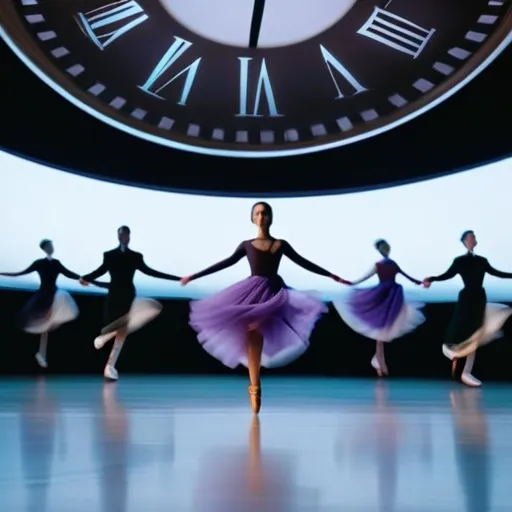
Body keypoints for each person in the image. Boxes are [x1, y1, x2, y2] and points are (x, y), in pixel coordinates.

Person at [180, 202, 350, 413]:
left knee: (258, 331)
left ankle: (255, 383)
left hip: (275, 292)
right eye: (258, 213)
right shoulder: (247, 244)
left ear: (270, 218)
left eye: (265, 213)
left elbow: (303, 262)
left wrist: (330, 275)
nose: (261, 216)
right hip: (252, 290)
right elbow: (226, 263)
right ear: (253, 219)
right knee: (253, 332)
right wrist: (194, 276)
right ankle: (255, 385)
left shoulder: (280, 244)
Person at [80, 226, 180, 380]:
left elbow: (151, 272)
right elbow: (100, 270)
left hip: (128, 295)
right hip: (114, 295)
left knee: (123, 330)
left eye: (127, 235)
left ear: (130, 236)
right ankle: (104, 341)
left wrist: (176, 278)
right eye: (123, 235)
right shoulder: (109, 255)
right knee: (117, 325)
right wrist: (86, 277)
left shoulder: (136, 256)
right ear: (118, 237)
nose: (125, 237)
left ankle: (110, 365)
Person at [423, 230, 512, 387]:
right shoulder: (459, 261)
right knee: (464, 331)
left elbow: (496, 273)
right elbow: (447, 275)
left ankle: (466, 372)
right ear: (464, 241)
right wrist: (432, 279)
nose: (472, 240)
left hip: (478, 297)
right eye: (469, 238)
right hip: (466, 299)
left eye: (473, 238)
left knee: (476, 333)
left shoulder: (482, 261)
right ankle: (460, 364)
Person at [333, 239, 425, 377]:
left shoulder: (391, 263)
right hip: (381, 296)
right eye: (384, 248)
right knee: (381, 331)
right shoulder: (379, 265)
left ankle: (378, 361)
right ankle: (379, 361)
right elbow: (364, 277)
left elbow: (406, 275)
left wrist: (420, 282)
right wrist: (350, 283)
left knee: (384, 331)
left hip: (392, 297)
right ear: (382, 250)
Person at [0, 239, 85, 368]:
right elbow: (20, 273)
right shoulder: (39, 263)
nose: (52, 248)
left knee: (52, 317)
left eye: (52, 245)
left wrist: (84, 278)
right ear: (45, 248)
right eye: (49, 246)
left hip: (54, 294)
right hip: (44, 295)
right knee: (43, 322)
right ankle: (41, 353)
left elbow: (69, 273)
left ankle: (42, 353)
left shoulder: (56, 263)